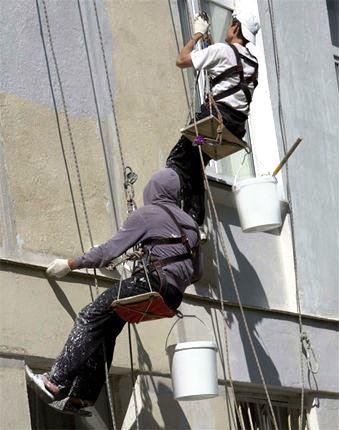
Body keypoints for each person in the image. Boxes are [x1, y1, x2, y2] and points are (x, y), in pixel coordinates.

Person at [26, 168, 201, 415]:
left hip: (152, 283)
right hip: (173, 297)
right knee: (107, 328)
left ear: (153, 190)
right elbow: (196, 273)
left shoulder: (147, 214)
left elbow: (109, 251)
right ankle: (81, 398)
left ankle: (54, 382)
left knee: (90, 315)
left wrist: (70, 264)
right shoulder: (191, 224)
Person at [166, 10, 260, 228]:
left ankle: (173, 214)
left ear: (236, 27)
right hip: (230, 131)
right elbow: (228, 73)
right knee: (196, 164)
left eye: (231, 23)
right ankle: (194, 221)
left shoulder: (222, 51)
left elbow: (181, 60)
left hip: (212, 124)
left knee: (177, 160)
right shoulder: (252, 63)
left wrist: (197, 35)